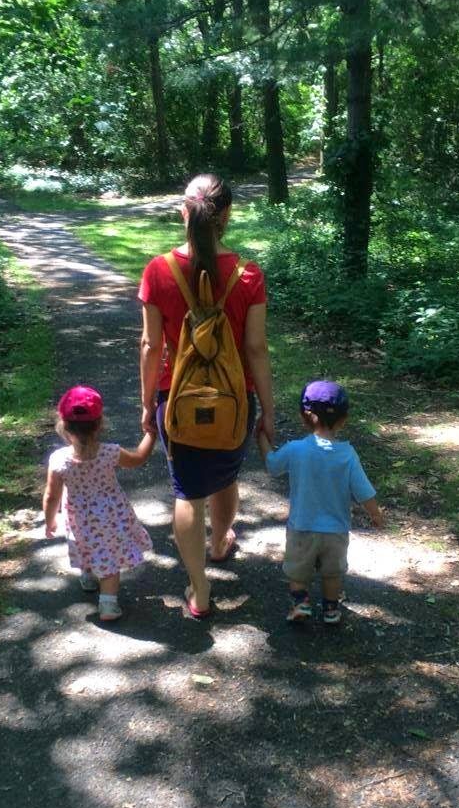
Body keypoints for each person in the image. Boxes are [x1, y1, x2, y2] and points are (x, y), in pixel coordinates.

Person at [138, 173, 274, 619]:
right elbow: (255, 348)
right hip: (234, 401)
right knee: (226, 475)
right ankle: (219, 543)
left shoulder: (159, 271)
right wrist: (268, 411)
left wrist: (146, 406)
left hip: (175, 401)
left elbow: (150, 346)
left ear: (184, 212)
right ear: (227, 216)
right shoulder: (248, 274)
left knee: (187, 490)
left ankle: (199, 591)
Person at [257, 380, 384, 625]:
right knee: (332, 573)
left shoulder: (295, 449)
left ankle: (301, 603)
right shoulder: (347, 454)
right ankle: (331, 610)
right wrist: (375, 514)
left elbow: (272, 465)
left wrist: (261, 438)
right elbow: (363, 491)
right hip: (335, 531)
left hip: (301, 527)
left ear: (304, 416)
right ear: (343, 419)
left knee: (298, 570)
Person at [43, 385, 155, 622]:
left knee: (85, 544)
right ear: (100, 423)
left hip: (79, 517)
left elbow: (52, 495)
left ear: (63, 425)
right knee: (110, 558)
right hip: (112, 516)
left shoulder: (58, 460)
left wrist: (50, 519)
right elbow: (138, 459)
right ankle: (108, 605)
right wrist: (151, 435)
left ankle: (87, 576)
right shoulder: (110, 453)